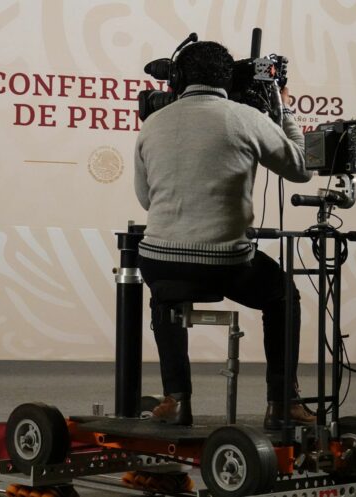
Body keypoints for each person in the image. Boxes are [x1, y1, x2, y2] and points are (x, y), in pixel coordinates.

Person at [133, 41, 316, 429]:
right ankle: (283, 401)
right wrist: (283, 109)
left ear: (179, 79)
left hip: (158, 260)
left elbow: (147, 199)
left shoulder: (152, 123)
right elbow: (301, 168)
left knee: (165, 290)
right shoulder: (244, 118)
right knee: (283, 295)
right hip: (224, 263)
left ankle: (176, 399)